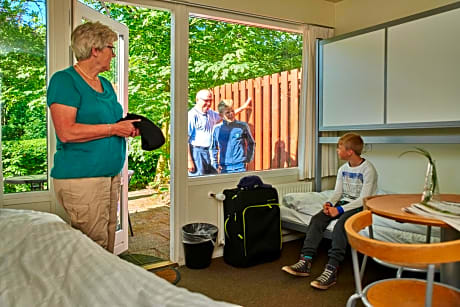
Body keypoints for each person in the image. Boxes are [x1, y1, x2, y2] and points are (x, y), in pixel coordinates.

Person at [47, 21, 140, 253]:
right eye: (111, 47)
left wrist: (126, 128)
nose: (114, 54)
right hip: (82, 178)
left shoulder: (105, 84)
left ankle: (103, 288)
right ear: (95, 50)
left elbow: (109, 122)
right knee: (92, 246)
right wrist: (112, 129)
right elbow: (66, 132)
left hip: (109, 175)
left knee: (106, 238)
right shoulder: (65, 81)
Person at [281, 132, 378, 290]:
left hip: (359, 206)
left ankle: (331, 269)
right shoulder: (343, 169)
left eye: (339, 148)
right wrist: (328, 204)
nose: (337, 151)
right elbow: (337, 193)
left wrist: (339, 210)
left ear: (350, 152)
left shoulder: (368, 170)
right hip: (343, 202)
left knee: (341, 226)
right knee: (317, 219)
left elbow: (363, 199)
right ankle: (305, 260)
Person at [187, 89, 251, 176]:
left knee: (213, 179)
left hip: (209, 152)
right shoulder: (191, 115)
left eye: (210, 101)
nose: (209, 103)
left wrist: (243, 108)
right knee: (197, 180)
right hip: (197, 153)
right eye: (206, 100)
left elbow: (226, 114)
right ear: (197, 100)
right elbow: (184, 140)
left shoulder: (211, 113)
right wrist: (189, 160)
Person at [210, 100, 255, 173]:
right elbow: (213, 148)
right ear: (221, 115)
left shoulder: (243, 126)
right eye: (227, 112)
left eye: (232, 111)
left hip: (240, 166)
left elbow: (251, 143)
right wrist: (215, 164)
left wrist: (248, 159)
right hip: (224, 167)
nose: (231, 114)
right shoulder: (217, 129)